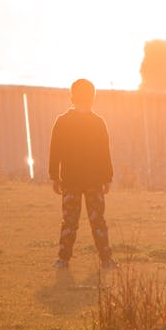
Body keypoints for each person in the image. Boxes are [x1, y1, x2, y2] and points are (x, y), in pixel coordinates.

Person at [48, 78, 117, 269]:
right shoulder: (98, 123)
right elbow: (105, 152)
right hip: (94, 181)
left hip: (70, 180)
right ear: (93, 98)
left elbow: (55, 151)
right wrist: (108, 177)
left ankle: (63, 259)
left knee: (69, 220)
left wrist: (54, 176)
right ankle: (106, 259)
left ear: (72, 97)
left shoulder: (62, 122)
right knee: (98, 221)